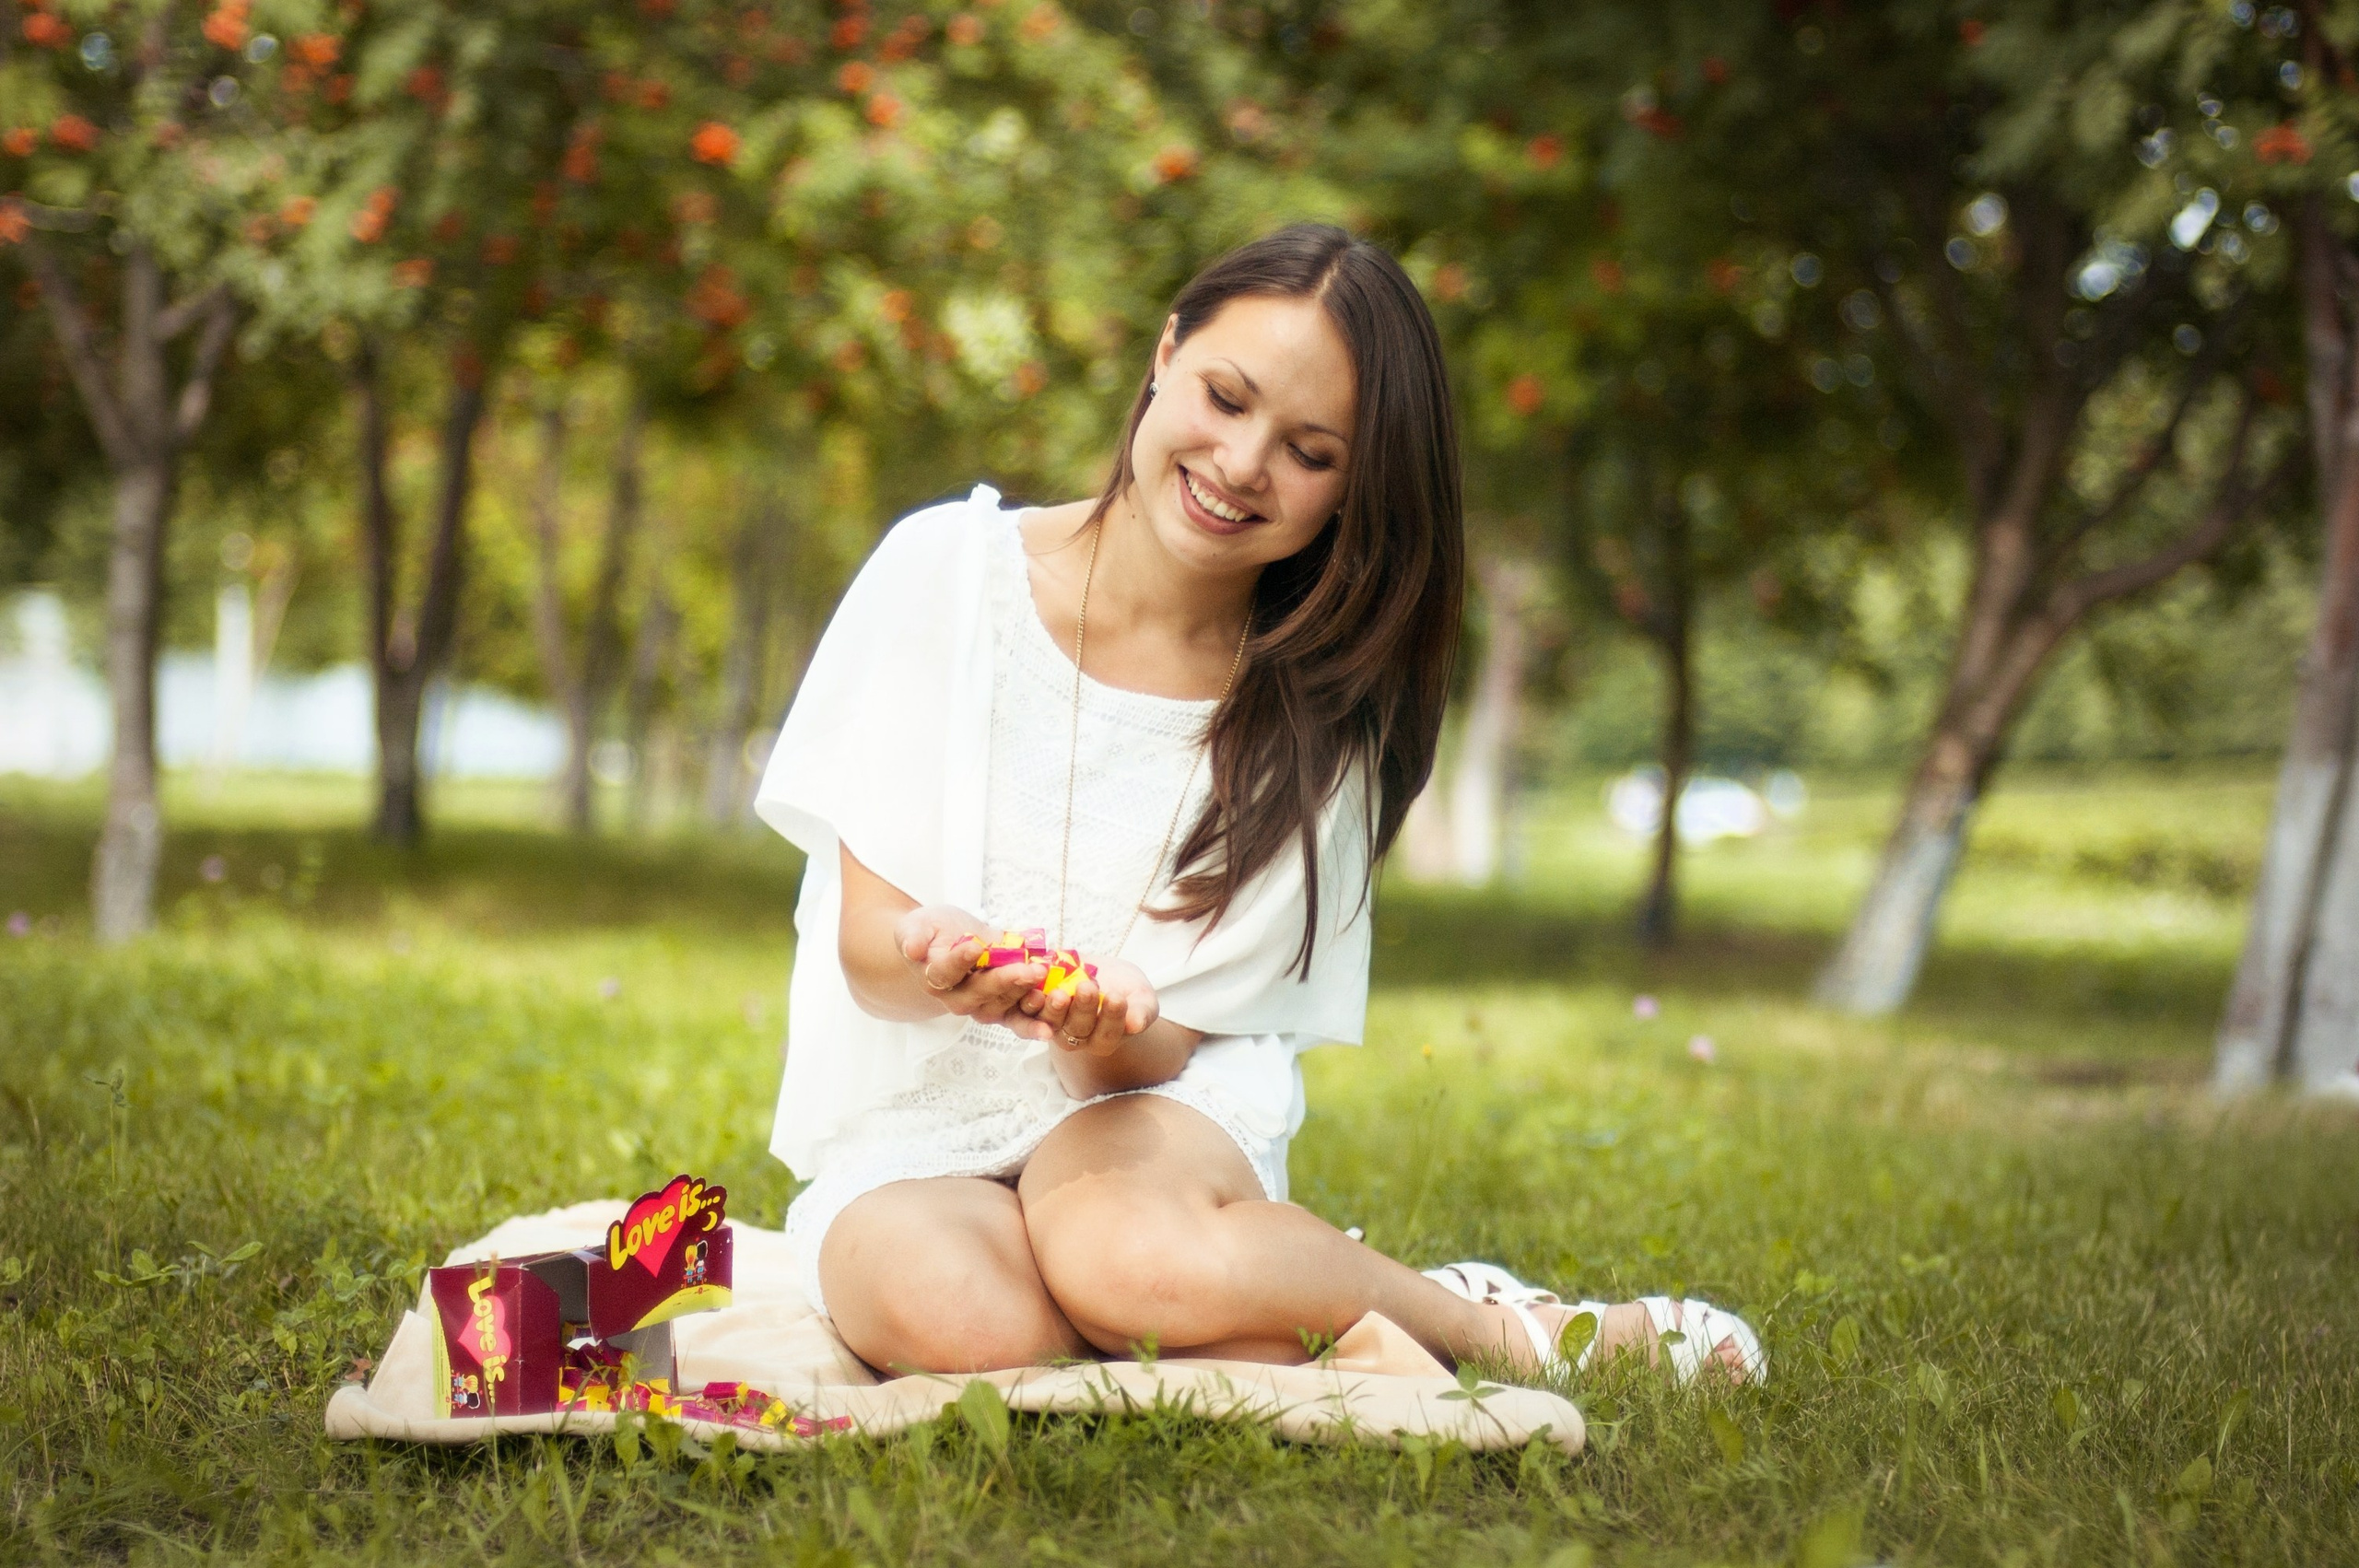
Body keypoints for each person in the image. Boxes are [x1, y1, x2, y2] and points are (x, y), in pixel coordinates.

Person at [754, 223, 1764, 1386]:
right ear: (1164, 352)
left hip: (1150, 1119)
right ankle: (1275, 1302)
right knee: (966, 1328)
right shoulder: (945, 570)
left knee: (1118, 1259)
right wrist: (937, 955)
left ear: (1353, 491)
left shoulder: (1313, 708)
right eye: (1224, 398)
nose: (1240, 463)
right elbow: (865, 953)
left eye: (1309, 451)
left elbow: (1168, 1047)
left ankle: (1488, 1327)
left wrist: (1103, 1033)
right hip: (916, 1123)